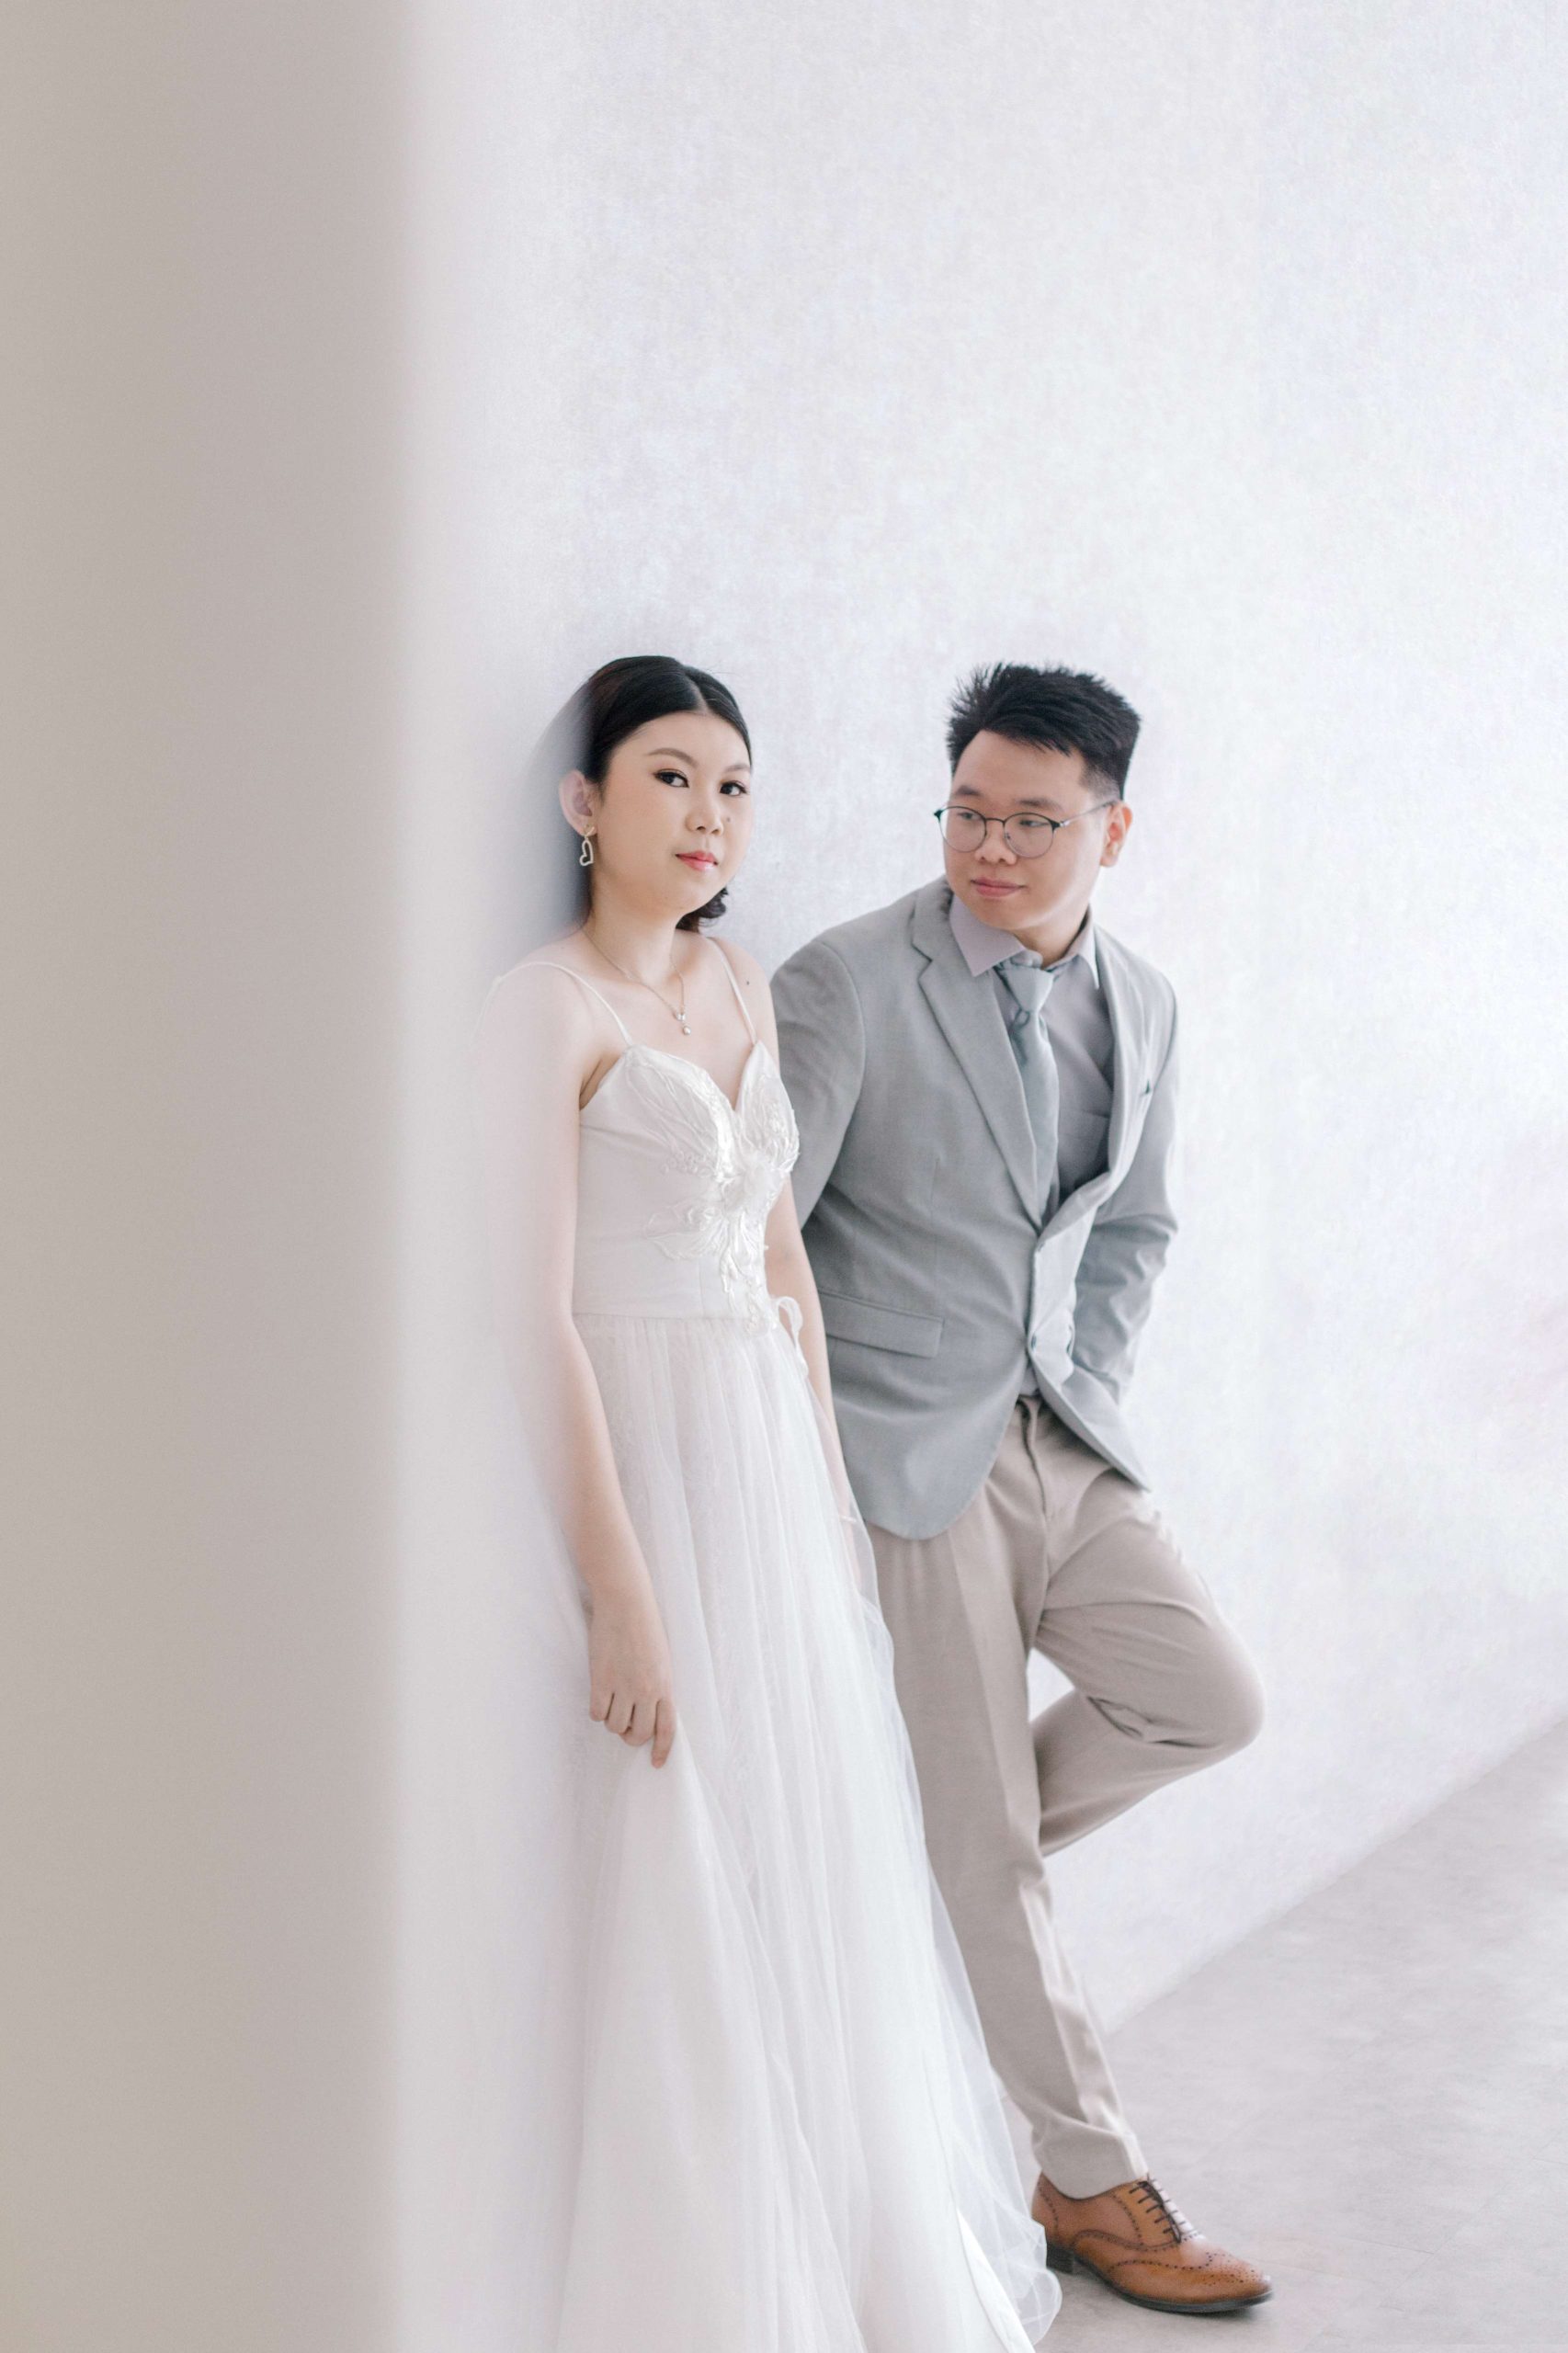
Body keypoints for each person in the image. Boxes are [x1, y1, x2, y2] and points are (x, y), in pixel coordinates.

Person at [472, 655, 1058, 2352]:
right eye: (669, 776)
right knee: (663, 1845)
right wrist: (619, 1589)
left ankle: (832, 2240)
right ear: (581, 802)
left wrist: (818, 1493)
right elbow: (527, 1316)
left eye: (732, 786)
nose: (709, 815)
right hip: (630, 1453)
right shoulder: (538, 1010)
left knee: (804, 1846)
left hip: (757, 1460)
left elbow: (781, 1255)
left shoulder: (737, 981)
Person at [772, 662, 1272, 2317]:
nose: (989, 847)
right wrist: (807, 1453)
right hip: (898, 1450)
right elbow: (767, 1238)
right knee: (982, 1846)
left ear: (1110, 830)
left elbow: (1134, 1228)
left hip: (1063, 1438)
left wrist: (1090, 1391)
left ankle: (928, 1857)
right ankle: (1089, 2180)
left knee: (1204, 1703)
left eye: (1032, 822)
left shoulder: (1145, 1002)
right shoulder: (846, 980)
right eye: (967, 813)